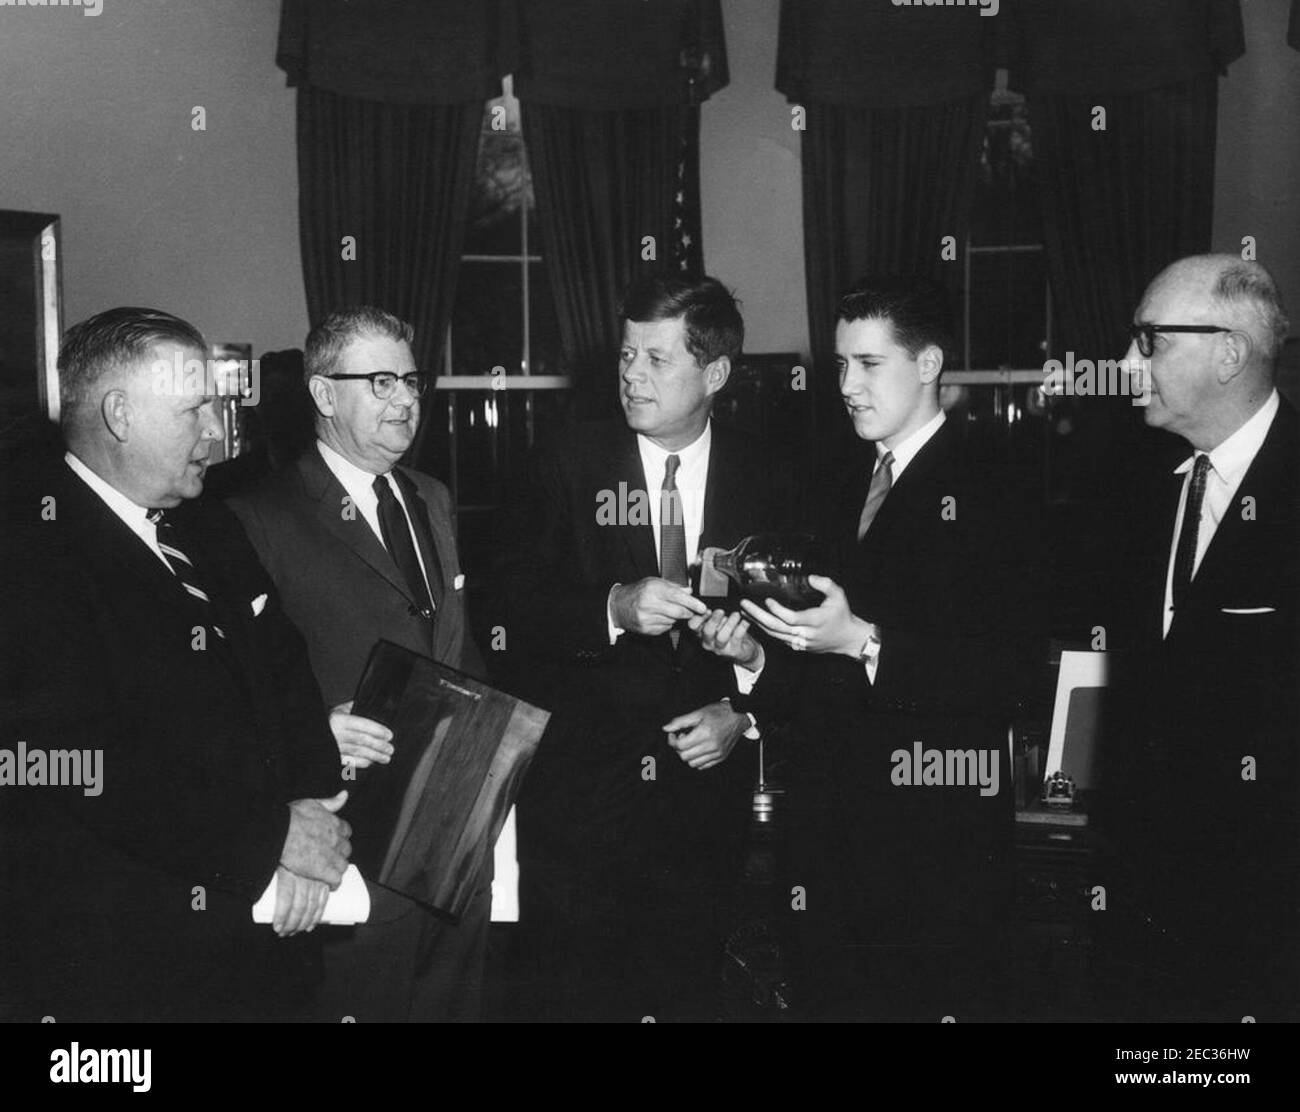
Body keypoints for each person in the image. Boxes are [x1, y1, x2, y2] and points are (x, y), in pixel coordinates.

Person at [695, 276, 1043, 1021]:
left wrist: (865, 641)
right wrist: (755, 662)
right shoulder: (834, 478)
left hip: (936, 853)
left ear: (928, 365)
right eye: (840, 365)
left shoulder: (1000, 483)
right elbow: (816, 678)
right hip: (826, 849)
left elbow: (1008, 671)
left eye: (868, 364)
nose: (847, 385)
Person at [0, 307, 350, 1022]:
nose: (215, 432)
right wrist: (271, 841)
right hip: (131, 964)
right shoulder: (29, 553)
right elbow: (73, 760)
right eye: (193, 412)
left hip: (270, 941)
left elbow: (285, 673)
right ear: (121, 415)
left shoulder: (209, 524)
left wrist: (310, 818)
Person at [494, 274, 793, 1021]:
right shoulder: (563, 463)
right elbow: (506, 619)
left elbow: (811, 638)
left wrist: (742, 712)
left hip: (703, 815)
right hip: (580, 814)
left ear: (715, 373)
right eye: (627, 355)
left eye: (657, 360)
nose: (631, 374)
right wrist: (613, 607)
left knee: (686, 995)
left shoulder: (774, 475)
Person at [229, 306, 488, 1022]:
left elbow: (457, 647)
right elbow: (228, 690)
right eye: (379, 382)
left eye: (410, 379)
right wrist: (312, 732)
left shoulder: (430, 496)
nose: (405, 399)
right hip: (345, 834)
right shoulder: (258, 515)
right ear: (322, 394)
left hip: (456, 826)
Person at [1097, 255, 1299, 1021]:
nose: (1124, 365)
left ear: (1228, 352)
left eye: (1150, 341)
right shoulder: (1143, 492)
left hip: (1268, 924)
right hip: (1147, 916)